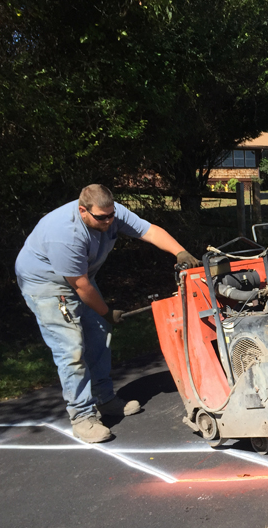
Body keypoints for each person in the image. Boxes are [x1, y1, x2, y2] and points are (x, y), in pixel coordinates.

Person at [15, 184, 201, 443]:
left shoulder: (111, 212)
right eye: (102, 217)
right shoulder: (64, 234)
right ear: (83, 211)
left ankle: (104, 398)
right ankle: (82, 417)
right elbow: (79, 285)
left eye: (111, 215)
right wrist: (107, 312)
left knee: (101, 334)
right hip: (47, 285)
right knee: (71, 350)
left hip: (82, 279)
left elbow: (149, 231)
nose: (109, 221)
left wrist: (179, 251)